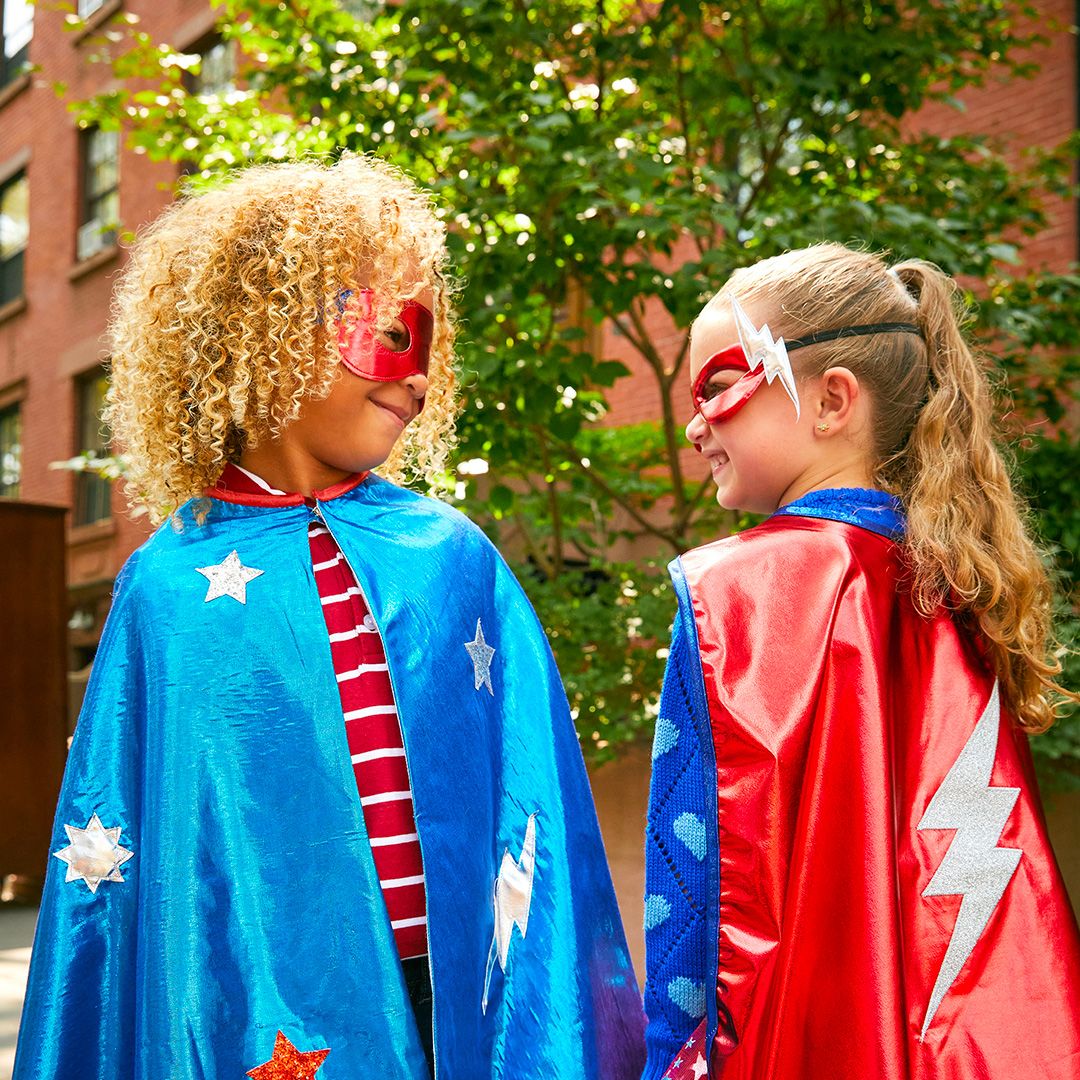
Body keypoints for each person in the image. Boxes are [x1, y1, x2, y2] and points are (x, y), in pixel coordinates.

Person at [14, 155, 644, 1080]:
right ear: (264, 332)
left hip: (465, 994)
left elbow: (533, 797)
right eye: (389, 333)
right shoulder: (167, 587)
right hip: (259, 1018)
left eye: (430, 349)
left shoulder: (450, 556)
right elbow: (134, 851)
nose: (417, 379)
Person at [641, 243, 1080, 1080]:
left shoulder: (736, 597)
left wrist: (672, 1062)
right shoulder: (965, 582)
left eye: (719, 386)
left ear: (833, 399)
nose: (697, 424)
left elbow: (694, 905)